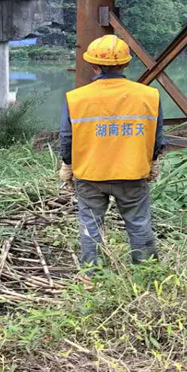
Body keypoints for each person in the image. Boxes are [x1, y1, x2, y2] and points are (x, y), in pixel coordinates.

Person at [59, 35, 164, 267]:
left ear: (93, 65)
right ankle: (146, 271)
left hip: (90, 175)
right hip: (133, 174)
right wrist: (153, 162)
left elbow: (67, 139)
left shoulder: (76, 98)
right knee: (138, 223)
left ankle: (91, 273)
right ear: (126, 64)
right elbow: (157, 138)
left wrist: (67, 165)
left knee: (90, 225)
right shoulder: (149, 95)